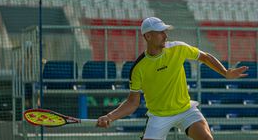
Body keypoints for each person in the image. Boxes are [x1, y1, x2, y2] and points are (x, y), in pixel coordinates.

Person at [96, 17, 249, 140]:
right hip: (158, 116)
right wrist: (110, 116)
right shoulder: (138, 68)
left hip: (186, 110)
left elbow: (205, 57)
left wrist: (225, 72)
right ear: (148, 36)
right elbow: (132, 102)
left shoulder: (178, 48)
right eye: (160, 32)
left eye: (165, 31)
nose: (165, 35)